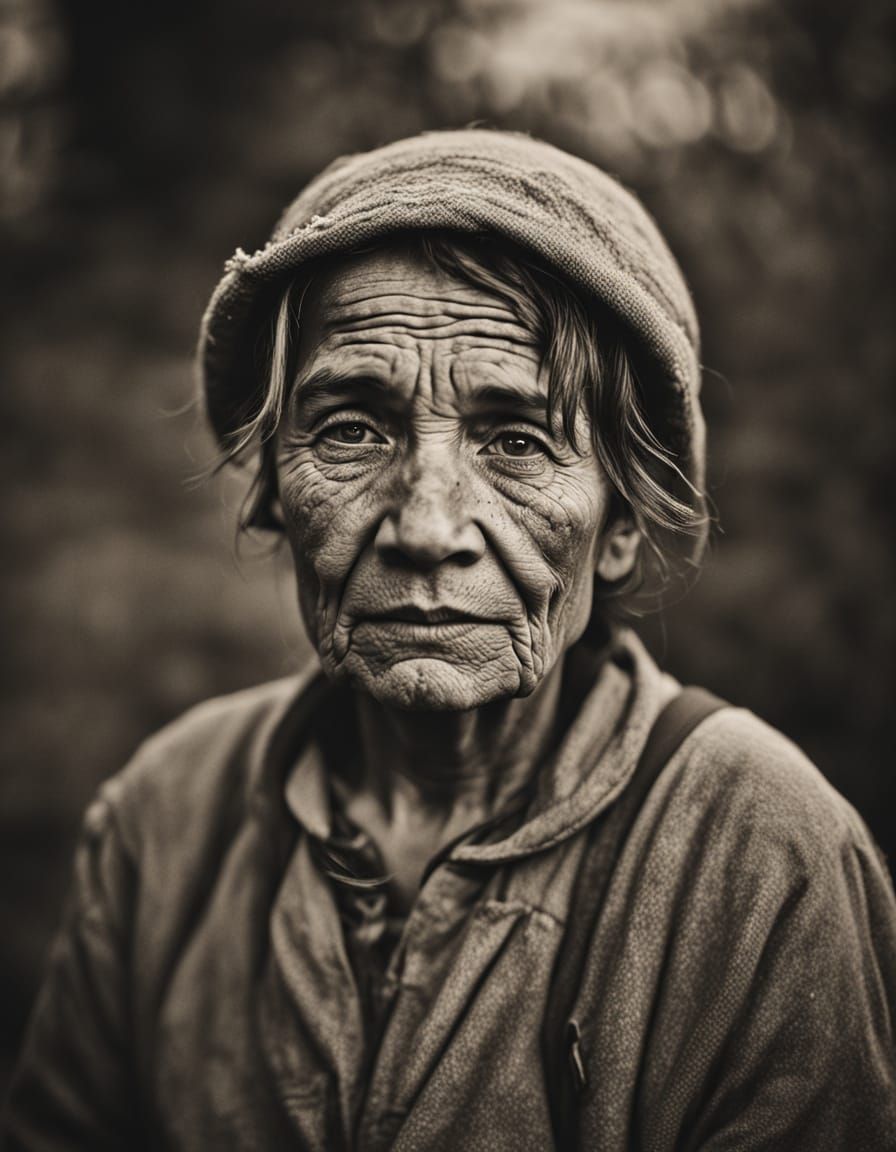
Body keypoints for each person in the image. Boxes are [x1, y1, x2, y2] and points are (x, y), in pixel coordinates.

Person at [3, 130, 895, 1151]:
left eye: (516, 440)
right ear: (275, 495)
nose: (426, 527)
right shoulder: (165, 820)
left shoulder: (761, 856)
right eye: (351, 429)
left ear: (619, 524)